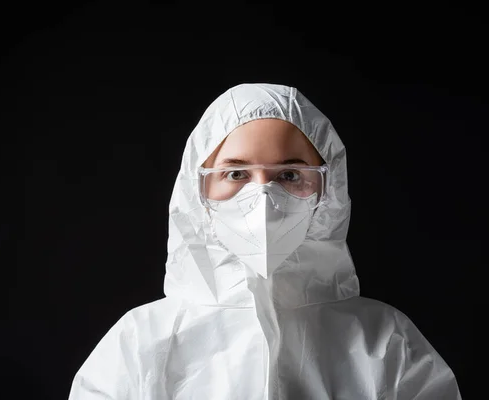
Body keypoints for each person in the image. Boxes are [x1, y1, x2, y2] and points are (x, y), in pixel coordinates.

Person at [67, 83, 461, 399]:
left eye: (290, 175)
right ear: (197, 188)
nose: (264, 198)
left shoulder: (385, 340)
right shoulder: (140, 340)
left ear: (330, 189)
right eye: (236, 175)